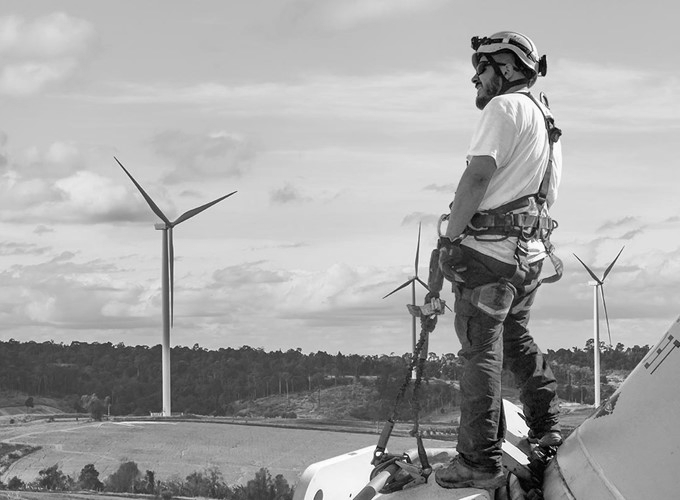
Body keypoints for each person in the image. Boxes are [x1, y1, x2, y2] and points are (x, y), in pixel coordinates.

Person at [434, 31, 563, 490]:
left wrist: (451, 237)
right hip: (529, 257)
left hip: (490, 256)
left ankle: (477, 460)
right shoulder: (546, 122)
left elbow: (478, 176)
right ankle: (546, 426)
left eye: (482, 68)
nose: (475, 78)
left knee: (479, 352)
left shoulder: (503, 109)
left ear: (506, 69)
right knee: (516, 337)